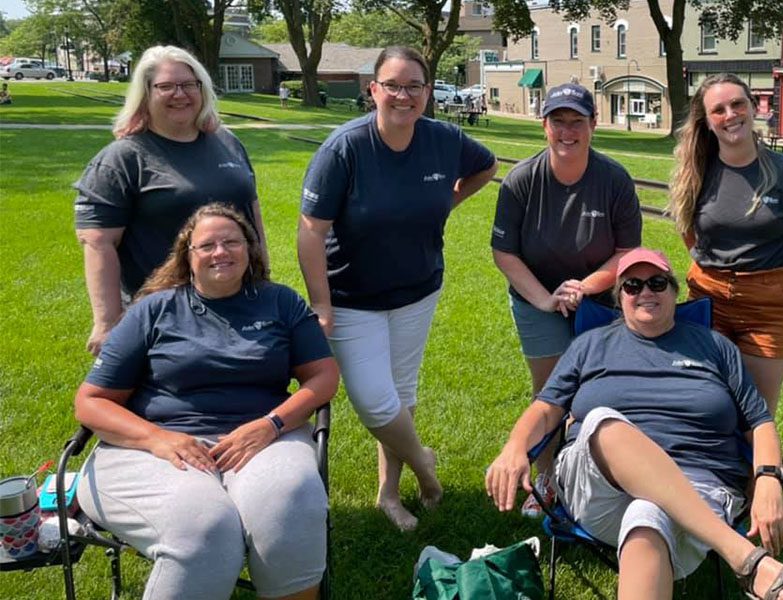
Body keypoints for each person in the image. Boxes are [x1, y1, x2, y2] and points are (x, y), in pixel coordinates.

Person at [486, 247, 783, 600]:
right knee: (603, 423)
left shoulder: (715, 347)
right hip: (599, 488)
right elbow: (545, 409)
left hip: (701, 483)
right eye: (632, 285)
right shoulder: (590, 345)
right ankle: (745, 558)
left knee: (647, 512)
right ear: (620, 299)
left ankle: (744, 560)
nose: (645, 292)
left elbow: (759, 420)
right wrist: (514, 448)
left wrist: (768, 479)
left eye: (657, 282)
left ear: (675, 292)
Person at [75, 204, 339, 600]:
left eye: (232, 241)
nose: (221, 251)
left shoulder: (280, 303)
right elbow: (90, 401)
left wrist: (272, 424)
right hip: (160, 447)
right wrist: (158, 439)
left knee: (290, 501)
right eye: (207, 245)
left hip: (263, 437)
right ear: (188, 256)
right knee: (204, 527)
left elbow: (324, 376)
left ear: (250, 250)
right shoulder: (153, 310)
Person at [298, 46, 497, 531]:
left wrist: (442, 204)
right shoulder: (344, 148)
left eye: (414, 86)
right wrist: (320, 302)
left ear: (428, 93)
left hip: (418, 289)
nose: (403, 95)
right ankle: (424, 463)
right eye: (393, 85)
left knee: (401, 394)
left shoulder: (444, 139)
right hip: (352, 298)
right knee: (374, 400)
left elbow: (485, 167)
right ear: (374, 91)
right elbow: (310, 231)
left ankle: (388, 493)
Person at [491, 82, 641, 517]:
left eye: (577, 121)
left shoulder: (613, 179)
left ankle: (600, 476)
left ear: (594, 124)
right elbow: (505, 252)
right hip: (535, 295)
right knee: (550, 391)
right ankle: (546, 478)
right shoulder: (522, 180)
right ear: (545, 127)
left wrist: (584, 287)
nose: (567, 131)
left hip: (599, 298)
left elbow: (628, 253)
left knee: (599, 388)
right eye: (559, 121)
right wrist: (542, 299)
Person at [74, 45, 269, 357]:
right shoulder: (122, 158)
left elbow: (252, 215)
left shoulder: (228, 143)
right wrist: (107, 322)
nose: (180, 94)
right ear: (145, 93)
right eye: (166, 86)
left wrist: (264, 282)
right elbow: (98, 243)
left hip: (240, 302)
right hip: (161, 312)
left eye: (189, 85)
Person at [668, 73, 783, 416]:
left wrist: (776, 272)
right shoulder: (695, 172)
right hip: (707, 299)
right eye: (719, 109)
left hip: (768, 306)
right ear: (707, 122)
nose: (730, 115)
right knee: (705, 406)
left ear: (753, 107)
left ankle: (757, 470)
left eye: (738, 103)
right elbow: (687, 231)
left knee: (756, 414)